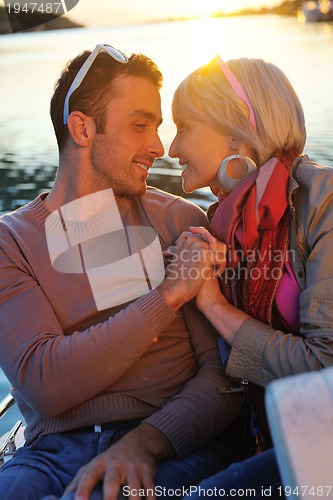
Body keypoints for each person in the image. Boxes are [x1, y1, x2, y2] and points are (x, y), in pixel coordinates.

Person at [0, 45, 242, 499]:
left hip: (167, 444)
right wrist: (168, 295)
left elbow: (222, 377)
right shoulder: (10, 241)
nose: (158, 146)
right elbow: (44, 383)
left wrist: (144, 445)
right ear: (82, 128)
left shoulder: (180, 222)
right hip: (49, 455)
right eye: (139, 125)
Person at [168, 55, 333, 497]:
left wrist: (212, 304)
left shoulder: (323, 202)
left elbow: (325, 368)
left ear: (236, 123)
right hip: (263, 431)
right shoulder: (220, 224)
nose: (171, 148)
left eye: (183, 126)